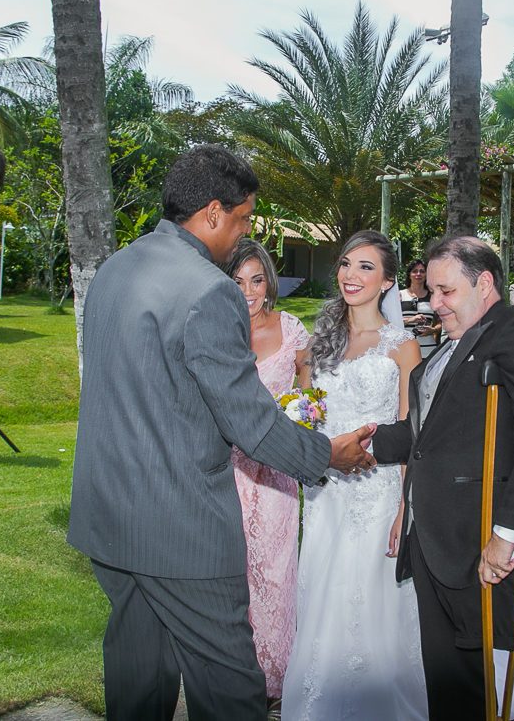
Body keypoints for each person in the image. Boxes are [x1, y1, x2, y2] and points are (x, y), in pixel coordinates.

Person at [65, 144, 376, 721]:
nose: (245, 231)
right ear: (213, 212)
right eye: (244, 218)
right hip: (180, 530)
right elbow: (248, 419)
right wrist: (327, 453)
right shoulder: (208, 291)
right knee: (231, 689)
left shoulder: (114, 268)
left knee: (138, 677)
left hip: (108, 515)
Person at [372, 236, 514, 721]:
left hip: (475, 539)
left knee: (469, 682)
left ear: (484, 282)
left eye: (445, 292)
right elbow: (425, 434)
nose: (434, 304)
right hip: (432, 537)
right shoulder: (454, 340)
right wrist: (358, 443)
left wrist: (506, 537)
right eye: (431, 292)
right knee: (446, 678)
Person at [281, 230, 425, 720]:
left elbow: (411, 436)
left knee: (368, 598)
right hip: (325, 491)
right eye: (346, 264)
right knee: (323, 592)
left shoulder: (403, 347)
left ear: (387, 281)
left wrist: (406, 509)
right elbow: (300, 416)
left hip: (377, 491)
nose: (351, 275)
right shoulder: (316, 343)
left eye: (366, 267)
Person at [218, 238, 310, 710]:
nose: (249, 291)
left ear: (269, 282)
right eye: (237, 280)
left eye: (256, 280)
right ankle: (236, 673)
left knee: (274, 572)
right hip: (225, 470)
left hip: (274, 473)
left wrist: (304, 414)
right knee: (232, 573)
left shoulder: (292, 329)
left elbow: (314, 398)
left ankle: (277, 679)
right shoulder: (216, 328)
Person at [400, 258, 442, 356]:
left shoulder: (433, 297)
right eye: (415, 271)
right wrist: (411, 320)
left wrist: (433, 330)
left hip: (428, 350)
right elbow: (390, 322)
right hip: (404, 350)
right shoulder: (400, 296)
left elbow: (441, 322)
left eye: (422, 271)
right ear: (409, 274)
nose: (418, 274)